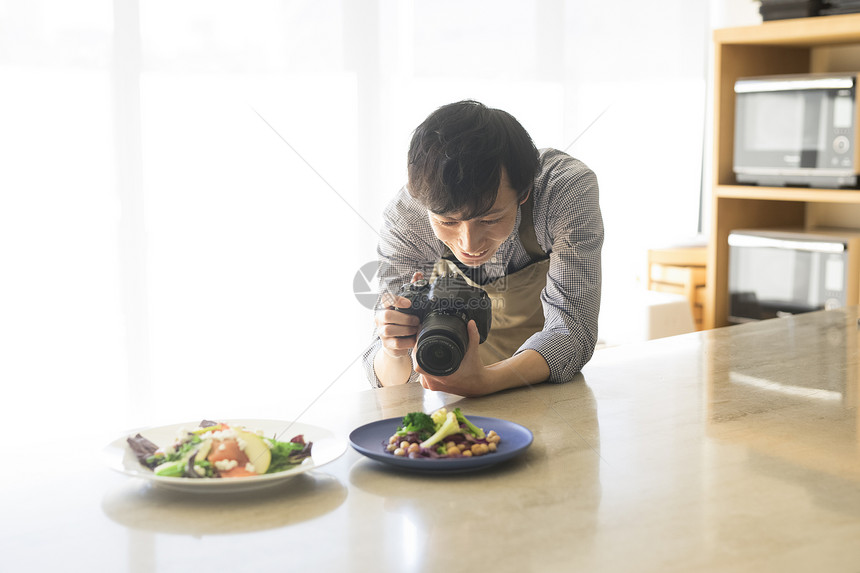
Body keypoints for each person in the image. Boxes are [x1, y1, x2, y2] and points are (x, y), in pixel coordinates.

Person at [362, 100, 603, 397]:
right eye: (447, 222)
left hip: (545, 390)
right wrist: (395, 351)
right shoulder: (407, 217)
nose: (470, 244)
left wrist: (486, 381)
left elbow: (573, 331)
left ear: (524, 192)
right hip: (449, 397)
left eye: (490, 219)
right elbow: (384, 378)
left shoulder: (563, 190)